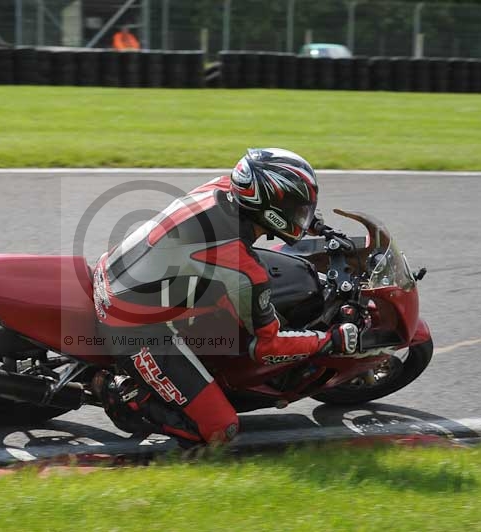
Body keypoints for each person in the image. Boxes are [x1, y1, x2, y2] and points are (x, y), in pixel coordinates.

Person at [91, 148, 359, 446]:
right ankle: (125, 398)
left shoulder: (223, 188)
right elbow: (267, 348)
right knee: (220, 429)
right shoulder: (241, 265)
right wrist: (328, 340)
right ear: (269, 209)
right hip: (132, 325)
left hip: (120, 270)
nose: (303, 216)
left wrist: (319, 227)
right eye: (299, 210)